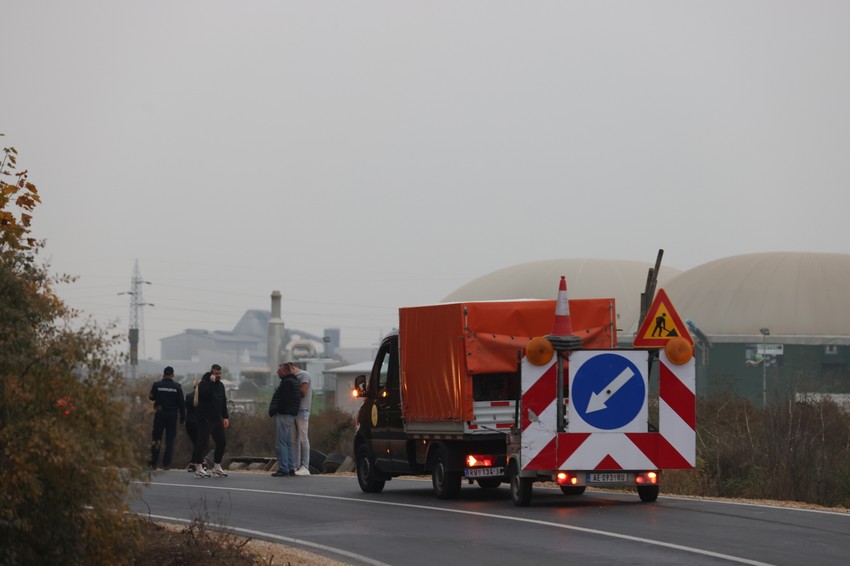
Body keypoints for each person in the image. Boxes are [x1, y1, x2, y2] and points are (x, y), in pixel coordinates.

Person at [191, 364, 230, 478]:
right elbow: (204, 394)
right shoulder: (204, 383)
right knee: (202, 442)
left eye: (220, 373)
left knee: (221, 442)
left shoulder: (220, 385)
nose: (218, 375)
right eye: (216, 373)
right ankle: (198, 467)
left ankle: (217, 466)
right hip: (205, 418)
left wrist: (225, 416)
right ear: (212, 373)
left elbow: (223, 401)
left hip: (217, 418)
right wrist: (211, 383)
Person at [148, 366, 186, 470]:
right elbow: (181, 404)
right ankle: (166, 464)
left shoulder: (157, 385)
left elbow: (151, 397)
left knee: (156, 439)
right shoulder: (177, 387)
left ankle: (153, 463)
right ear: (173, 375)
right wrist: (182, 418)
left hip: (159, 415)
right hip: (172, 416)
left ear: (163, 374)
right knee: (170, 440)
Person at [268, 363, 301, 477]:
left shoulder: (286, 383)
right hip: (290, 414)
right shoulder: (294, 381)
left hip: (283, 414)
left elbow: (284, 400)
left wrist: (276, 410)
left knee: (281, 443)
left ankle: (283, 468)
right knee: (288, 442)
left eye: (279, 371)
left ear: (285, 372)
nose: (277, 372)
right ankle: (290, 467)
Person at [287, 361, 313, 476]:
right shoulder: (292, 377)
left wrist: (290, 389)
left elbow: (303, 392)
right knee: (294, 440)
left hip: (302, 410)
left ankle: (305, 466)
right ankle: (295, 465)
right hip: (293, 410)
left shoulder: (304, 375)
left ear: (293, 367)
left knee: (303, 438)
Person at [184, 379, 202, 473]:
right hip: (200, 423)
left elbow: (186, 408)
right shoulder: (204, 397)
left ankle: (196, 463)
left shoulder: (188, 396)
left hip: (190, 423)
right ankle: (195, 463)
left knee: (196, 444)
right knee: (199, 444)